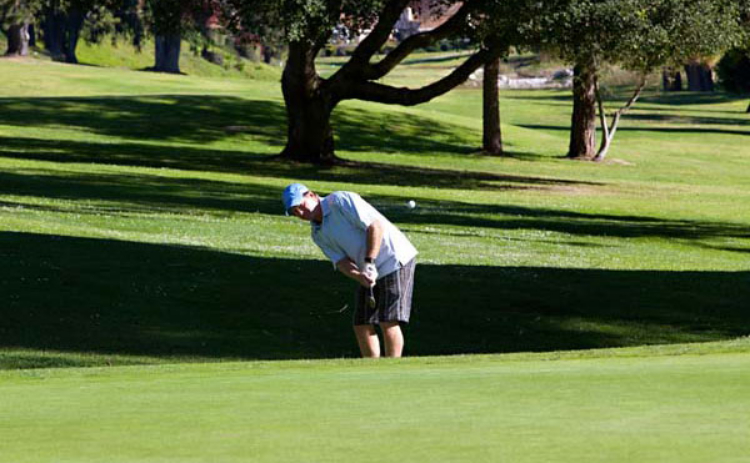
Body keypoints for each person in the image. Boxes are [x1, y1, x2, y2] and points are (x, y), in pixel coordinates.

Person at [283, 183, 417, 358]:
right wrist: (359, 276)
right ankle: (372, 370)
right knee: (362, 323)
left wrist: (369, 262)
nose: (300, 213)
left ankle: (391, 369)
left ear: (311, 195)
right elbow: (341, 262)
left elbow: (375, 227)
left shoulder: (340, 201)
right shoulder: (317, 234)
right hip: (369, 270)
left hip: (395, 258)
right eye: (294, 212)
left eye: (300, 205)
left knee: (387, 320)